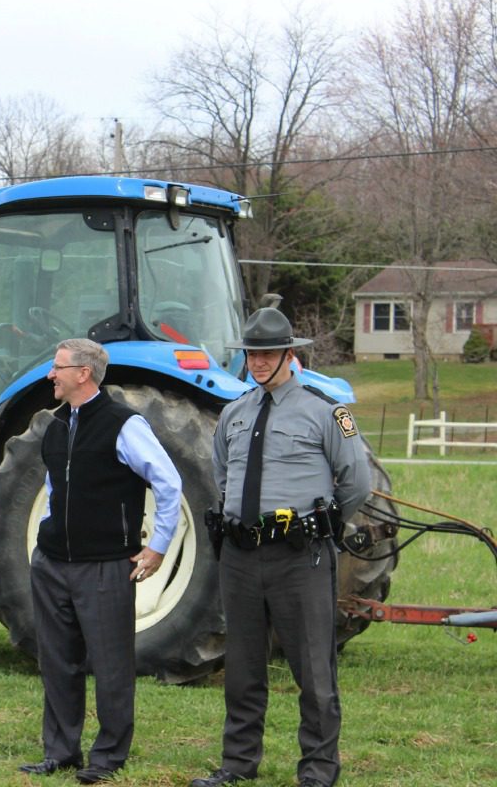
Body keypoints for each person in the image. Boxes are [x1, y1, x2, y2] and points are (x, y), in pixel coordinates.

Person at [191, 308, 371, 787]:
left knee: (313, 671)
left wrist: (321, 524)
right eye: (252, 354)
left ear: (290, 353)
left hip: (300, 557)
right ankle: (237, 764)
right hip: (241, 558)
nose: (259, 362)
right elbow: (223, 477)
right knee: (243, 669)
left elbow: (357, 482)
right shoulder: (234, 412)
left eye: (268, 353)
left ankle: (317, 770)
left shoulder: (328, 411)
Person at [20, 338, 183, 784]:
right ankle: (60, 751)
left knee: (111, 666)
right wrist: (44, 544)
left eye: (57, 367)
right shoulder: (54, 426)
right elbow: (56, 491)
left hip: (106, 565)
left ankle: (108, 756)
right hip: (53, 564)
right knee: (56, 660)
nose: (50, 375)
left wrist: (158, 547)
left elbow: (168, 484)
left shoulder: (123, 425)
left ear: (83, 373)